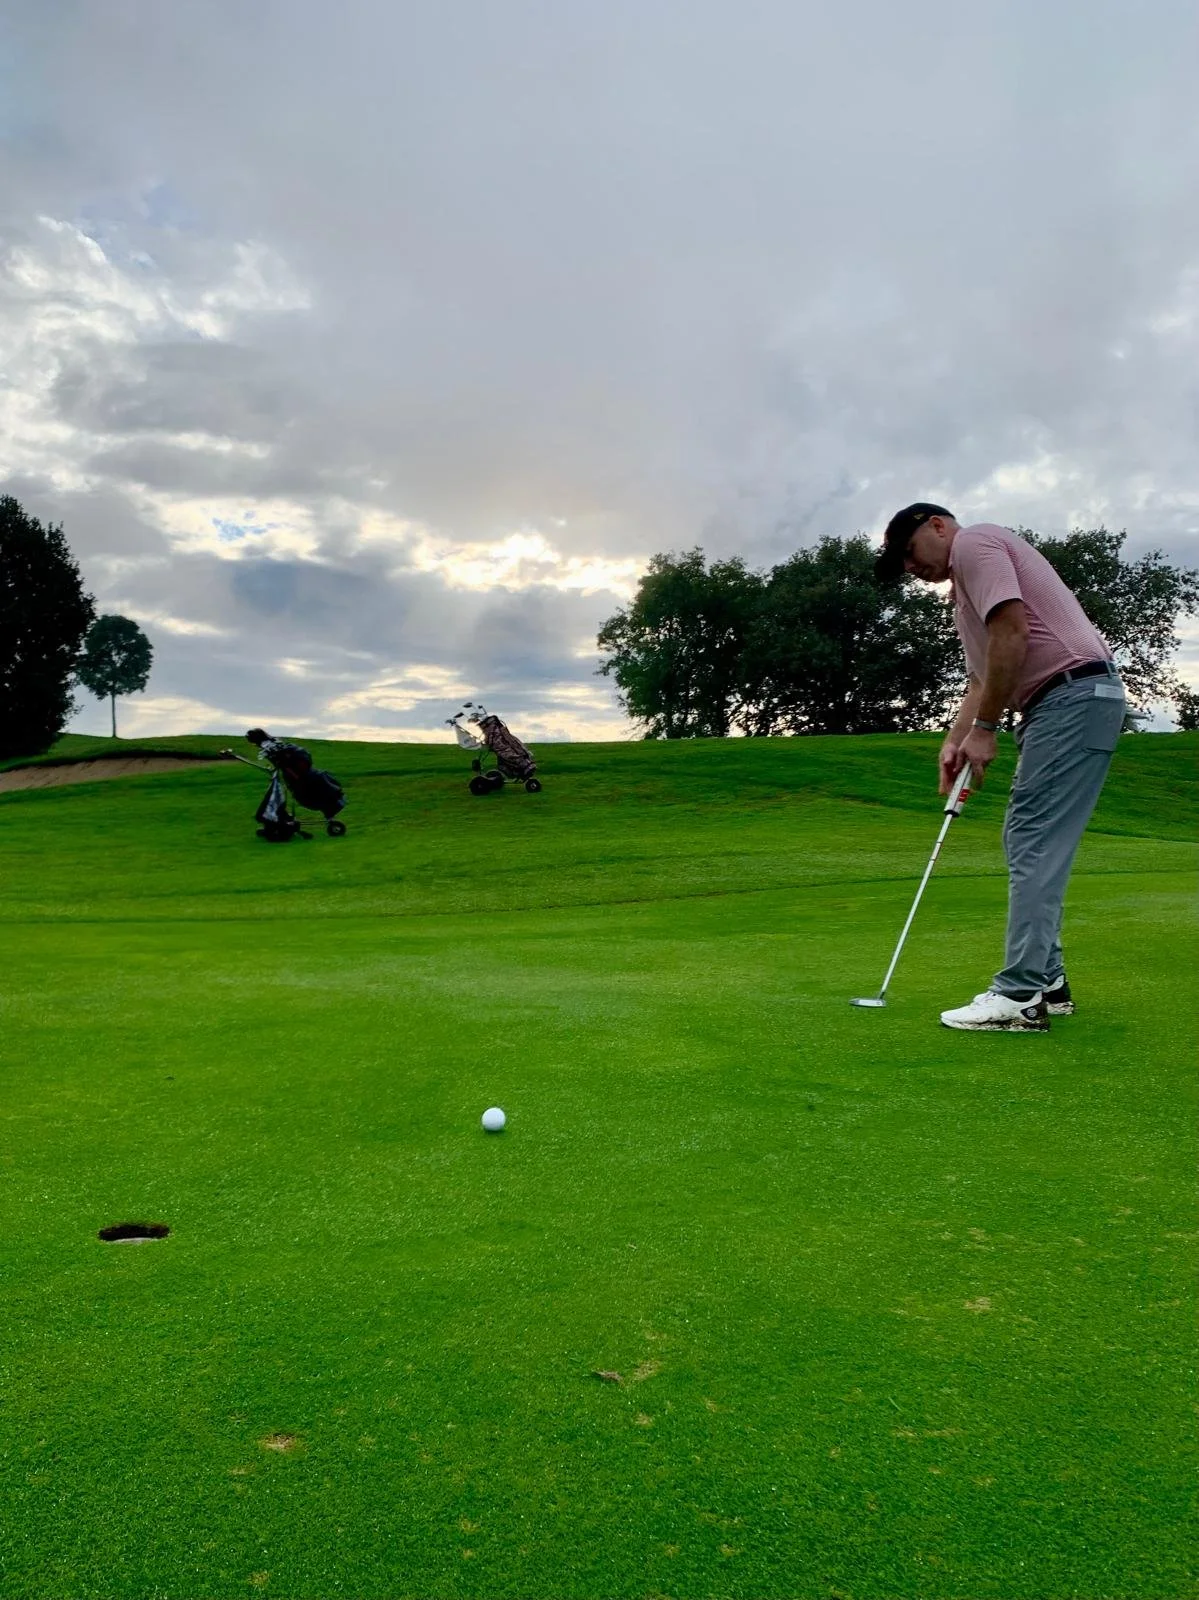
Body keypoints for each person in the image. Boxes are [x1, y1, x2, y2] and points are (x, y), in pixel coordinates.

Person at [875, 505, 1127, 1032]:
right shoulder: (963, 596)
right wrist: (957, 738)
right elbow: (982, 676)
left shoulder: (976, 544)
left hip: (1071, 694)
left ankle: (1019, 995)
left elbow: (1013, 633)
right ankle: (1048, 982)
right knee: (1024, 839)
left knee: (1033, 838)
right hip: (1059, 703)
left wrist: (986, 730)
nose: (908, 567)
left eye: (908, 550)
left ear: (937, 525)